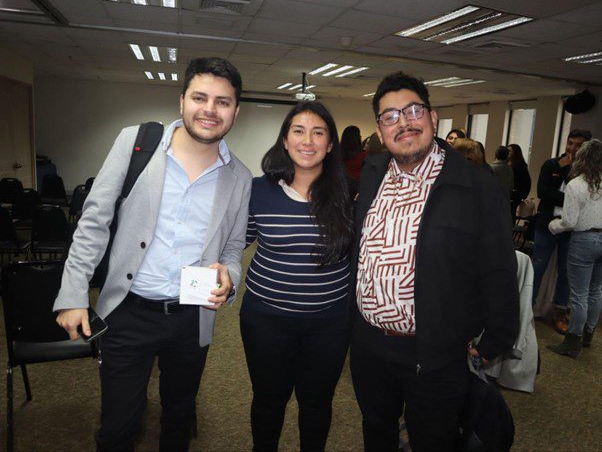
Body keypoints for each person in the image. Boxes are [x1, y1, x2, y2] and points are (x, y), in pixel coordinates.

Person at [54, 57, 252, 451]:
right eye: (200, 97)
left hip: (190, 318)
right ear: (182, 102)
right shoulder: (137, 142)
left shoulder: (239, 177)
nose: (210, 110)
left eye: (222, 102)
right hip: (129, 312)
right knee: (119, 425)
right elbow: (93, 222)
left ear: (235, 111)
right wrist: (73, 294)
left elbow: (233, 247)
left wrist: (230, 277)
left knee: (179, 418)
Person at [349, 71, 519, 452]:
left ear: (432, 117)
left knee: (433, 440)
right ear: (379, 129)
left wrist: (497, 337)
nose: (404, 123)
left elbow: (499, 267)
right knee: (376, 430)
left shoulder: (474, 185)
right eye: (390, 116)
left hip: (435, 350)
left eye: (413, 111)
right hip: (369, 344)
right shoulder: (374, 174)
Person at [241, 102, 353, 452]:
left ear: (331, 144)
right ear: (285, 141)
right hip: (266, 318)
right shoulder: (259, 190)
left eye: (319, 132)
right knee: (268, 401)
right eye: (299, 131)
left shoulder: (351, 192)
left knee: (317, 402)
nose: (308, 141)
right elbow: (232, 243)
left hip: (330, 320)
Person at [531, 129, 592, 334]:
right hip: (547, 224)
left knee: (567, 273)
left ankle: (560, 312)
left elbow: (585, 200)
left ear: (586, 147)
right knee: (537, 267)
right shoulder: (551, 165)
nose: (572, 148)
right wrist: (560, 171)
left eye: (578, 145)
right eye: (570, 143)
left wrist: (566, 199)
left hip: (572, 227)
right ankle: (526, 308)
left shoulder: (586, 171)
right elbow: (543, 193)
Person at [547, 139, 602, 357]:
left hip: (584, 241)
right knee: (597, 290)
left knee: (579, 294)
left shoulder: (576, 184)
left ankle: (572, 341)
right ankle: (589, 334)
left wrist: (553, 225)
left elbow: (569, 222)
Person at [508, 143, 531, 217]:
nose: (508, 152)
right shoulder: (509, 163)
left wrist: (520, 194)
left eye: (510, 151)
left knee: (511, 212)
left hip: (516, 194)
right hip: (514, 193)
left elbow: (523, 181)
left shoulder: (520, 165)